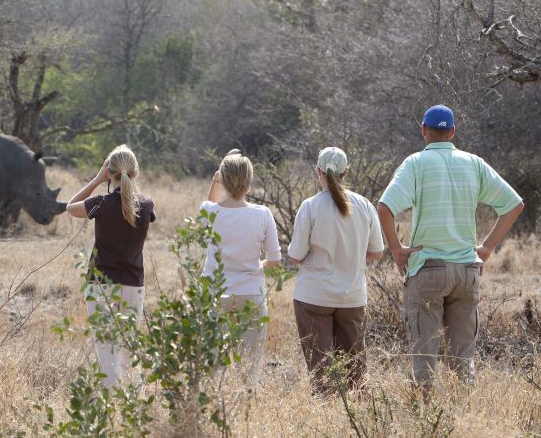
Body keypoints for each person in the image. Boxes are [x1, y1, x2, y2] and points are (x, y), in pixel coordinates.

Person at [378, 104, 523, 393]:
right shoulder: (474, 163)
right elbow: (514, 205)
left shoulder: (415, 164)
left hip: (428, 270)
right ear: (453, 131)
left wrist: (397, 249)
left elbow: (384, 207)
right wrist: (486, 248)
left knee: (424, 357)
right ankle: (464, 415)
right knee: (462, 359)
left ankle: (425, 421)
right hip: (467, 272)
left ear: (424, 130)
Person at [287, 147, 384, 394]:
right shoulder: (364, 205)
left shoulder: (310, 206)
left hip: (314, 297)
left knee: (321, 373)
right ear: (346, 172)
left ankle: (326, 415)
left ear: (318, 171)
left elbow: (296, 256)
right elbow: (376, 252)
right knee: (355, 373)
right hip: (352, 297)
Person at [66, 145, 155, 387]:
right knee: (129, 348)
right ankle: (132, 402)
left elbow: (70, 207)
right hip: (133, 285)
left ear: (109, 172)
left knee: (106, 351)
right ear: (135, 172)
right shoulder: (147, 206)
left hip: (101, 285)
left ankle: (108, 403)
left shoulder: (101, 203)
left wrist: (96, 179)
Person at [200, 150, 281, 387]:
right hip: (251, 294)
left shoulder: (209, 211)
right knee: (249, 368)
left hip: (215, 293)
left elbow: (211, 202)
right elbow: (274, 260)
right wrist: (255, 267)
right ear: (249, 180)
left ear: (222, 179)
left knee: (211, 367)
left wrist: (216, 178)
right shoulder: (262, 214)